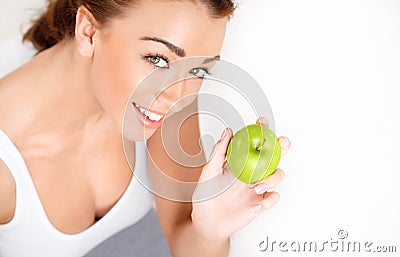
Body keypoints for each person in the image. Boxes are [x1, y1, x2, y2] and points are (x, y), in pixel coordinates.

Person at [0, 0, 291, 256]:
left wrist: (210, 230)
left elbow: (183, 242)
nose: (179, 97)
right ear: (88, 32)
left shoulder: (167, 100)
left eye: (198, 70)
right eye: (157, 59)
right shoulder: (6, 168)